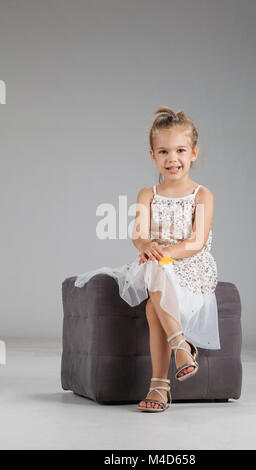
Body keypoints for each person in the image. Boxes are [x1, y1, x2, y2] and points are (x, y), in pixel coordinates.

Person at [74, 106, 221, 413]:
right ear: (152, 156)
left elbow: (196, 242)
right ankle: (180, 347)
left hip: (190, 267)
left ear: (193, 153)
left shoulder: (202, 195)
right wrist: (146, 245)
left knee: (155, 302)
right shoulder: (147, 194)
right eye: (164, 151)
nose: (172, 159)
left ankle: (160, 383)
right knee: (153, 276)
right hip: (157, 264)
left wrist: (163, 253)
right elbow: (138, 235)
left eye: (180, 150)